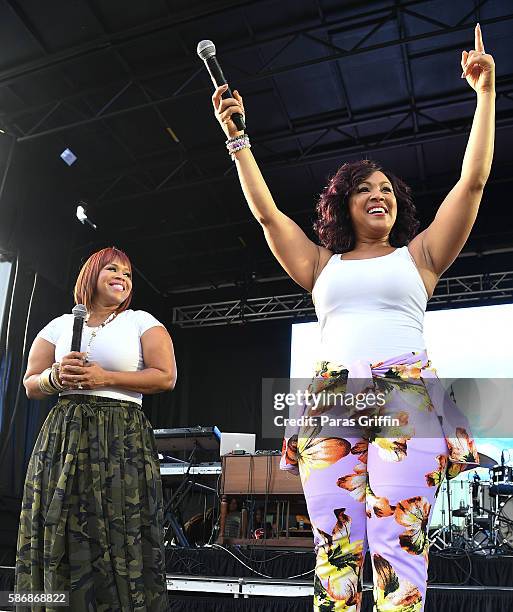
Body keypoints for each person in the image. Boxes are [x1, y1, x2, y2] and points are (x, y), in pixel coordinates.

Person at [211, 24, 494, 612]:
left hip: (404, 390)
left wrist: (484, 96)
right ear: (343, 203)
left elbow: (472, 183)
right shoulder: (321, 265)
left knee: (396, 535)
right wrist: (236, 138)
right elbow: (267, 216)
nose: (379, 194)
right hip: (332, 397)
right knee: (336, 548)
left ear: (399, 202)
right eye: (364, 188)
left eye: (387, 188)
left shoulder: (420, 256)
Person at [14, 247, 176, 612]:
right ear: (91, 275)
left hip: (121, 434)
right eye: (113, 269)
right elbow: (30, 383)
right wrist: (55, 377)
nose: (123, 277)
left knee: (119, 526)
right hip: (65, 433)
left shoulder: (141, 321)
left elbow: (166, 376)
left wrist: (106, 377)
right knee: (60, 521)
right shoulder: (58, 325)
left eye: (128, 274)